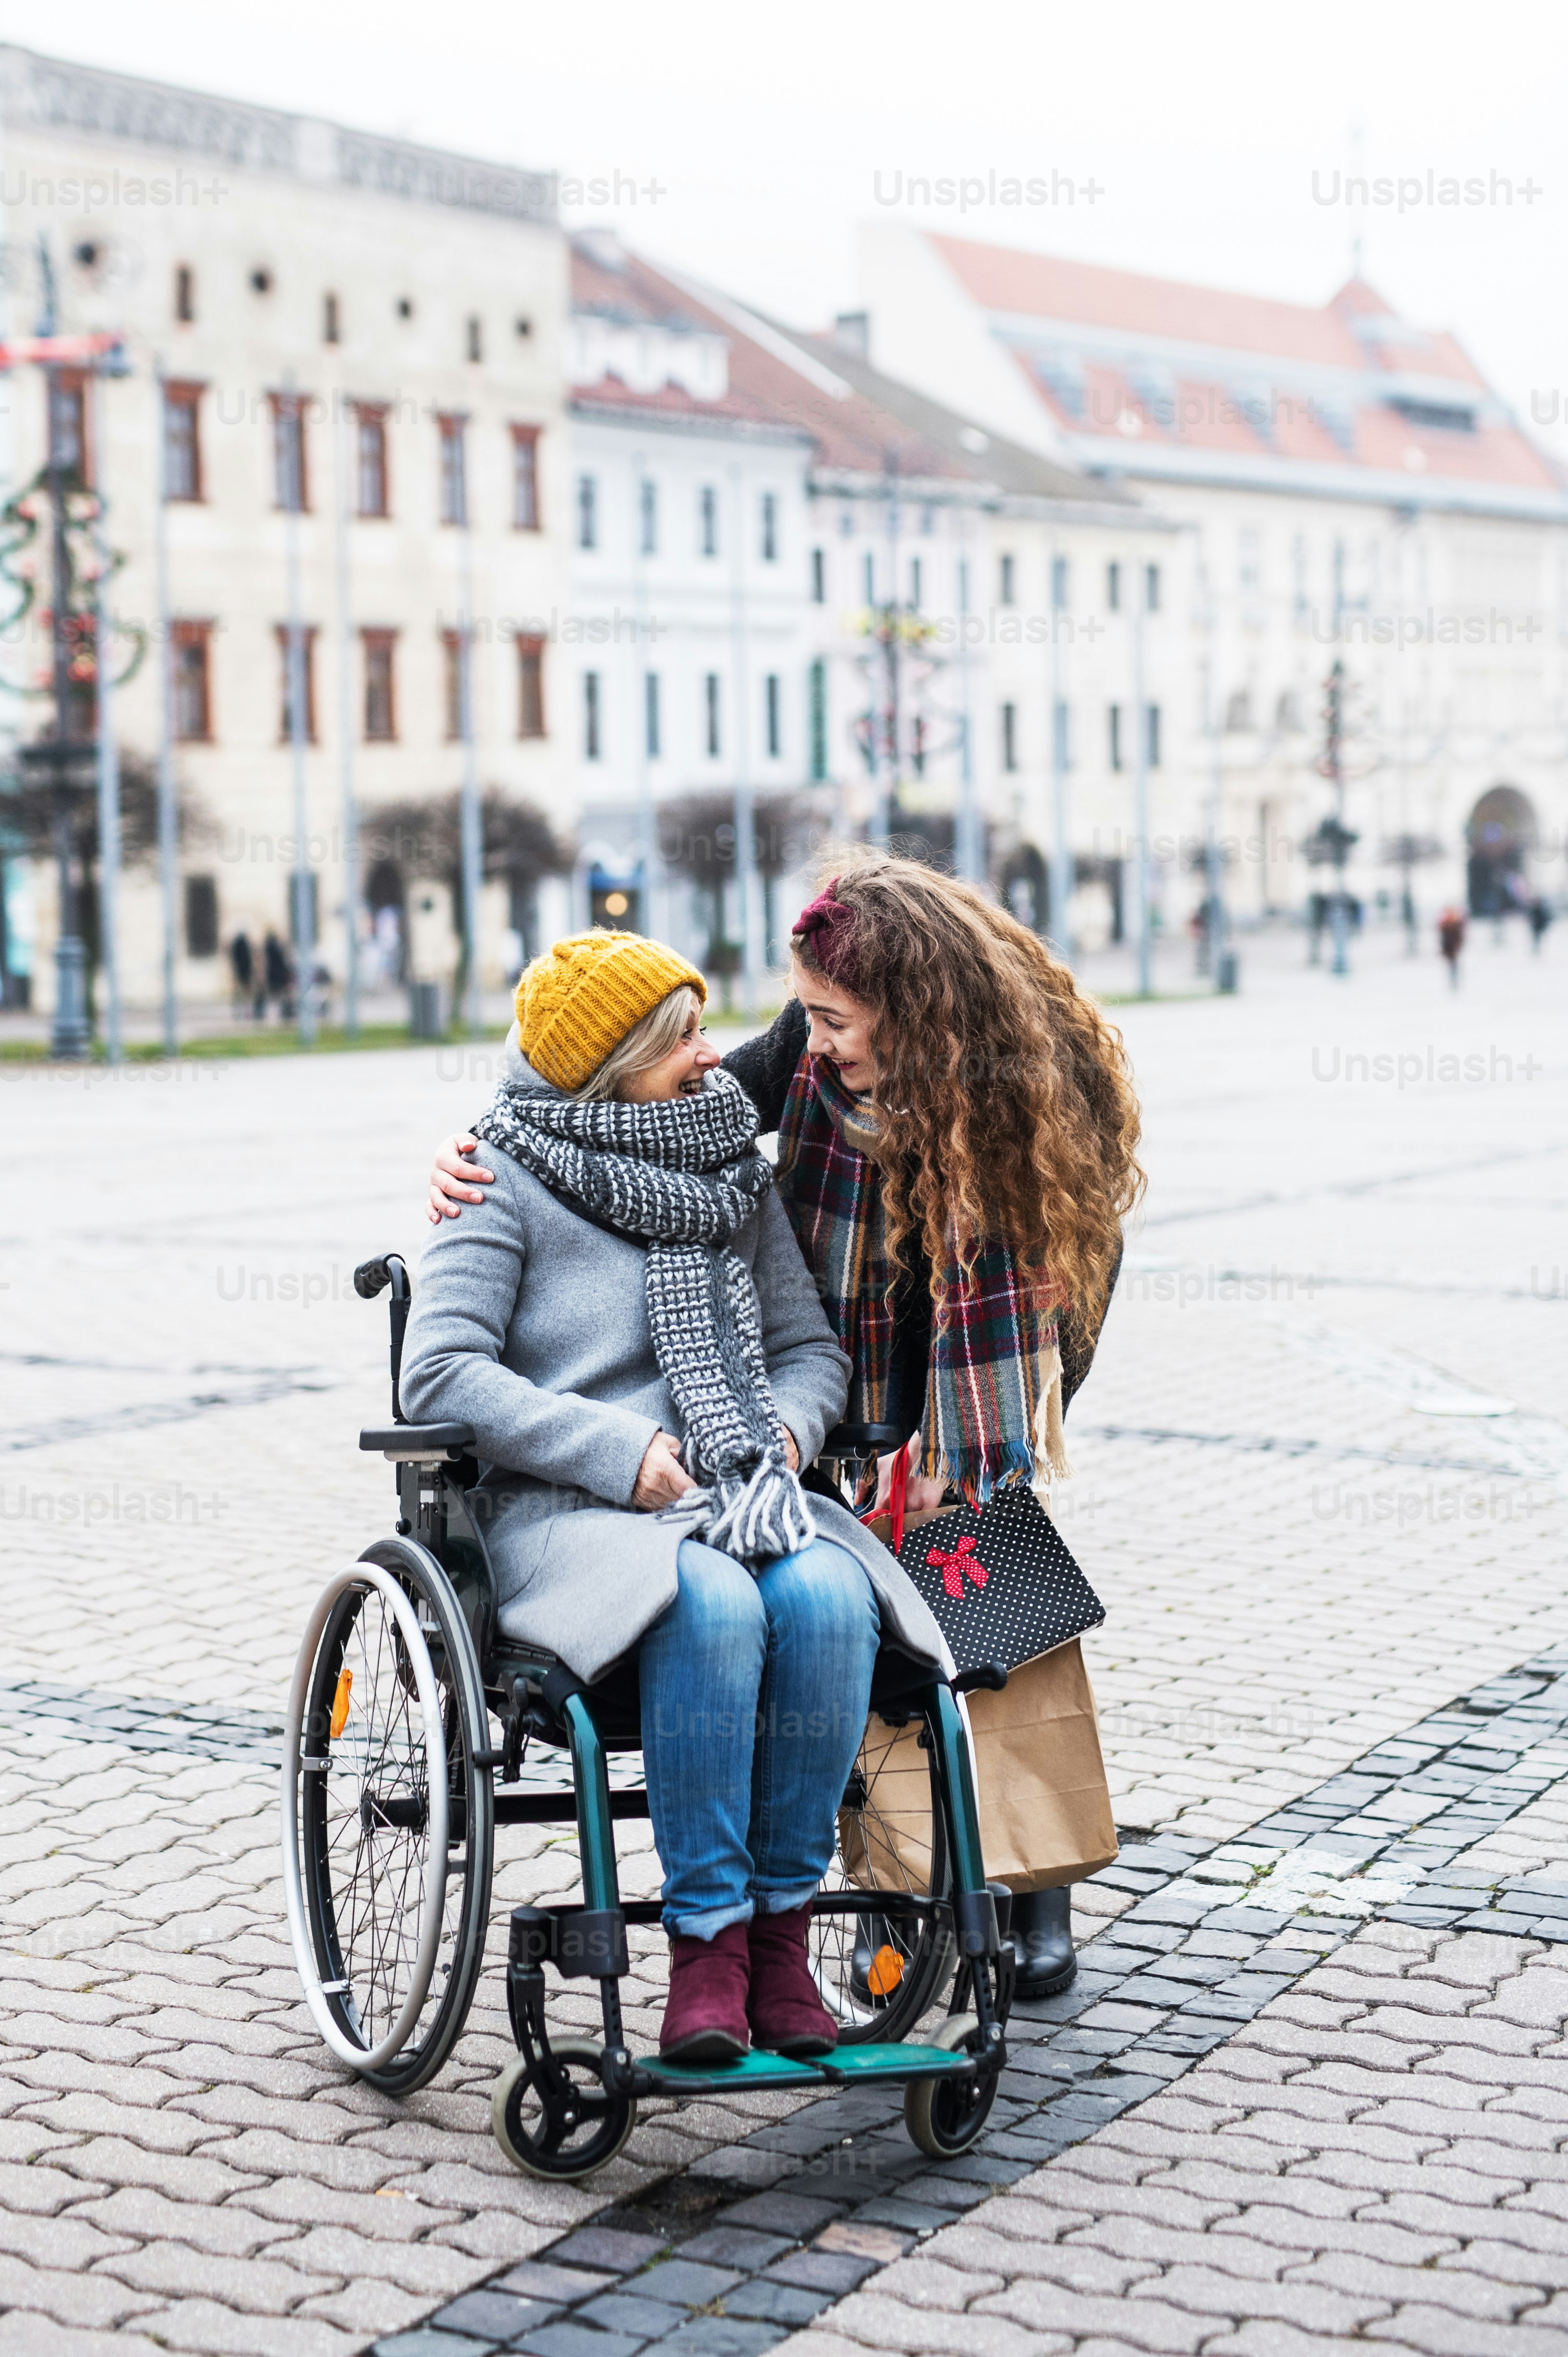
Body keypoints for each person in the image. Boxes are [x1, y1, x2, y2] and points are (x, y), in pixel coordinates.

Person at [429, 853, 1143, 1998]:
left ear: (917, 1016)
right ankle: (892, 1895)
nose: (812, 1043)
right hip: (834, 1369)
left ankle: (1030, 1886)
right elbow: (600, 1102)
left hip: (979, 1379)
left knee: (989, 1593)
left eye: (839, 1023)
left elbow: (1069, 1298)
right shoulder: (804, 1063)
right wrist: (469, 1150)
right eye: (808, 1016)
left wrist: (962, 1454)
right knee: (856, 1621)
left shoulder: (1034, 1101)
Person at [401, 929, 956, 2066]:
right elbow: (441, 1374)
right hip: (573, 1514)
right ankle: (705, 1943)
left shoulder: (727, 1171)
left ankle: (778, 1941)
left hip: (739, 1489)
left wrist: (783, 1434)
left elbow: (807, 1349)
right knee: (709, 1600)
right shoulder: (497, 1175)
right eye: (683, 1040)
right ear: (614, 1065)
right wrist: (617, 1449)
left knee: (821, 1598)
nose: (711, 1058)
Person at [229, 930, 255, 1021]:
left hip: (241, 971)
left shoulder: (237, 944)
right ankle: (245, 1011)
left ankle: (240, 1011)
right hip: (244, 972)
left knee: (240, 992)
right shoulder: (244, 945)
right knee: (245, 992)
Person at [1438, 905, 1466, 988]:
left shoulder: (1454, 924)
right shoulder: (1447, 925)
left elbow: (1459, 936)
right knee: (1452, 964)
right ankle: (1453, 981)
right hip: (1450, 948)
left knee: (1453, 964)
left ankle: (1454, 981)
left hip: (1453, 948)